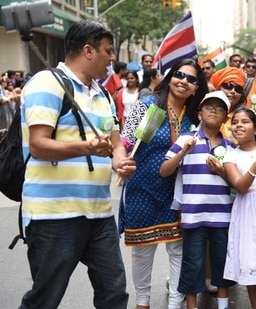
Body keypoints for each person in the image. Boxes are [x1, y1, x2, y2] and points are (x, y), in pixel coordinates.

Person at [18, 19, 136, 309]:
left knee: (114, 292)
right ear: (88, 50)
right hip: (54, 215)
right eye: (108, 51)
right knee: (45, 297)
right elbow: (39, 144)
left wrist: (120, 161)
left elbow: (116, 141)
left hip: (99, 213)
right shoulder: (46, 83)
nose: (112, 58)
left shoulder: (104, 94)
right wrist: (85, 147)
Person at [119, 59, 208, 309]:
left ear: (195, 88)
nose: (184, 81)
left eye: (191, 79)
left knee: (177, 250)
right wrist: (118, 156)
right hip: (142, 186)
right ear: (170, 77)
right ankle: (142, 303)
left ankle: (175, 303)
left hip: (176, 191)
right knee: (143, 251)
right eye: (179, 75)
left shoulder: (193, 116)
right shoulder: (149, 105)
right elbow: (126, 140)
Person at [160, 91, 236, 309]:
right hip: (193, 214)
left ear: (225, 117)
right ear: (200, 112)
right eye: (209, 107)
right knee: (192, 263)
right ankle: (191, 305)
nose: (214, 111)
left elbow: (235, 183)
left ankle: (223, 305)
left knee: (222, 261)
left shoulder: (231, 146)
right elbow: (164, 171)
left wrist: (221, 171)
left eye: (220, 108)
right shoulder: (187, 139)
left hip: (223, 215)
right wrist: (182, 152)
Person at [222, 107, 256, 309]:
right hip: (248, 211)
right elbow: (241, 186)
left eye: (245, 121)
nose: (239, 125)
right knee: (251, 258)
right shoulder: (230, 156)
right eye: (235, 122)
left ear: (255, 128)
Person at [209, 67, 247, 139]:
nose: (233, 91)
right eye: (228, 86)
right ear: (219, 88)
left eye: (238, 89)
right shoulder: (206, 111)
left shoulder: (245, 117)